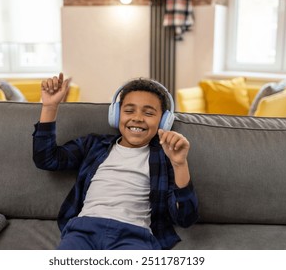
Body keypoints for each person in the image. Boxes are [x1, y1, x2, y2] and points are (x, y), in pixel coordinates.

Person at [32, 73, 198, 250]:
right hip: (83, 230)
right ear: (116, 114)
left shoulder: (165, 158)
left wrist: (180, 164)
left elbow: (185, 217)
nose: (138, 118)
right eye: (129, 110)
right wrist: (49, 107)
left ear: (164, 121)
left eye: (149, 113)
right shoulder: (94, 145)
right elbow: (47, 159)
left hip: (134, 235)